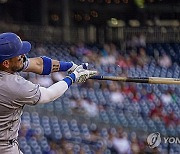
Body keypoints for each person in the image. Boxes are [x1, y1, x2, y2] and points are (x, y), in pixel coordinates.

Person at [0, 32, 97, 154]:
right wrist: (73, 77)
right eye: (19, 55)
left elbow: (38, 64)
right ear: (6, 63)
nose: (23, 56)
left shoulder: (6, 63)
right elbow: (49, 94)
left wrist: (70, 66)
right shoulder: (11, 85)